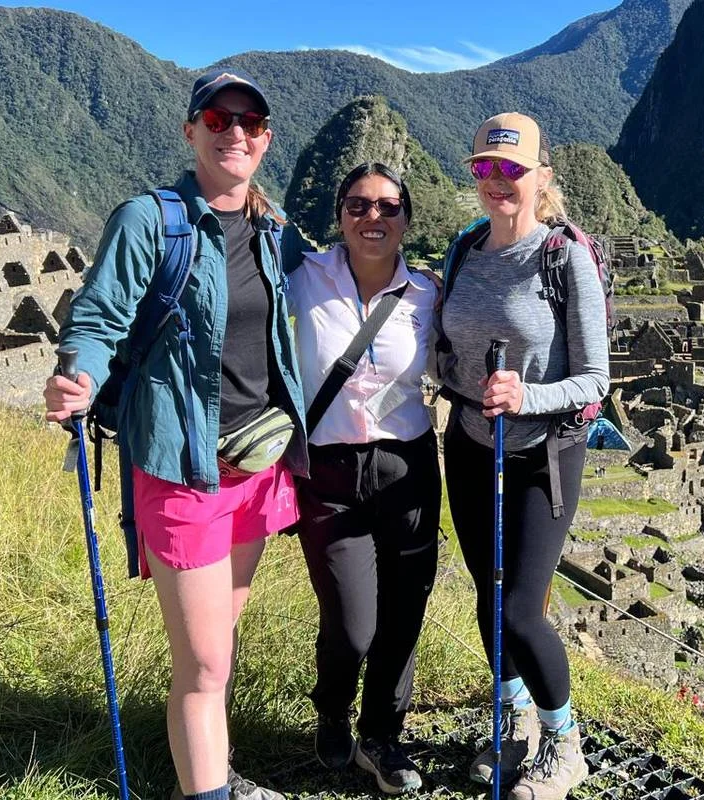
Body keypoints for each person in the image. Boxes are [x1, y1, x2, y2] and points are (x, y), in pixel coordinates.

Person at [43, 71, 307, 800]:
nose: (234, 132)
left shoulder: (274, 228)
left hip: (257, 462)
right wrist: (77, 376)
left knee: (221, 644)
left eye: (249, 122)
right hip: (183, 466)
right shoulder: (148, 221)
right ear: (192, 130)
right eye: (218, 119)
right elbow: (99, 316)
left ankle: (216, 773)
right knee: (205, 664)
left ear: (265, 139)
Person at [437, 112, 609, 800]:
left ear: (541, 177)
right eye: (485, 167)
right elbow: (448, 346)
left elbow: (594, 379)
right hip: (470, 445)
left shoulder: (563, 259)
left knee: (520, 612)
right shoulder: (463, 250)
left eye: (512, 169)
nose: (497, 181)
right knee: (488, 594)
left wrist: (527, 395)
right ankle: (513, 720)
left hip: (543, 455)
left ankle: (565, 743)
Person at [285, 163, 441, 795]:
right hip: (329, 472)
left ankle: (381, 735)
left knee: (404, 613)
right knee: (352, 625)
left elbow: (463, 356)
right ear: (339, 214)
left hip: (407, 467)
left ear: (406, 218)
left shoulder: (429, 294)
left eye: (387, 207)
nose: (372, 217)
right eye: (358, 205)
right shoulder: (303, 278)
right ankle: (332, 710)